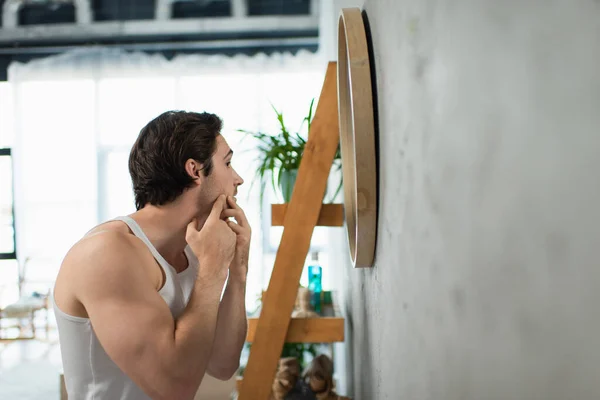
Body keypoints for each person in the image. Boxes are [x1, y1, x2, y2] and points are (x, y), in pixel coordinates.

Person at [52, 110, 250, 400]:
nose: (238, 179)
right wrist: (213, 268)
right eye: (228, 163)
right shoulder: (106, 254)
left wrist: (238, 271)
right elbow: (174, 389)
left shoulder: (196, 247)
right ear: (195, 170)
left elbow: (222, 365)